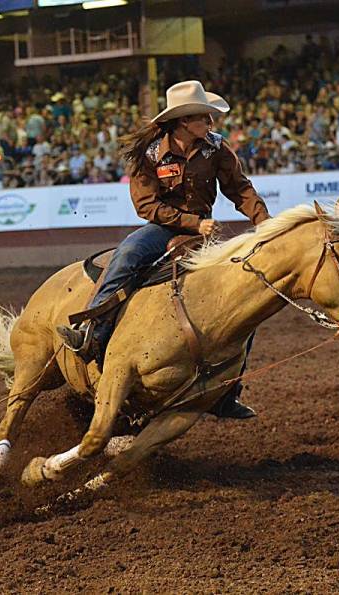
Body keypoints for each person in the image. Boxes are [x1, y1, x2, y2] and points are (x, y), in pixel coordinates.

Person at [56, 80, 271, 419]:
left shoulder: (216, 149)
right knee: (128, 255)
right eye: (204, 117)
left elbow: (240, 189)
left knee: (244, 293)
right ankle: (92, 332)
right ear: (184, 121)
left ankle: (228, 389)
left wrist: (264, 221)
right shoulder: (151, 154)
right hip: (165, 227)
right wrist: (192, 223)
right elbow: (146, 205)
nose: (211, 124)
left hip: (203, 232)